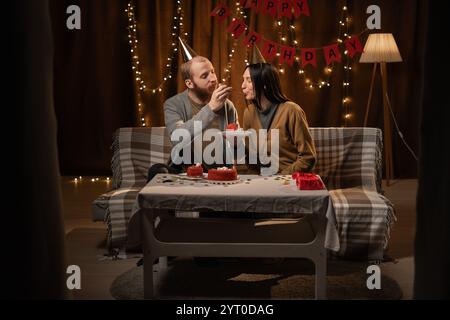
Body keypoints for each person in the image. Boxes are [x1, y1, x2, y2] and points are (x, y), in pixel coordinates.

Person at [241, 60, 316, 175]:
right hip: (261, 182)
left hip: (288, 180)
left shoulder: (292, 111)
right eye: (243, 80)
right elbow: (250, 157)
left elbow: (308, 157)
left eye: (249, 80)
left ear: (264, 84)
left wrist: (280, 178)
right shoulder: (248, 113)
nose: (243, 86)